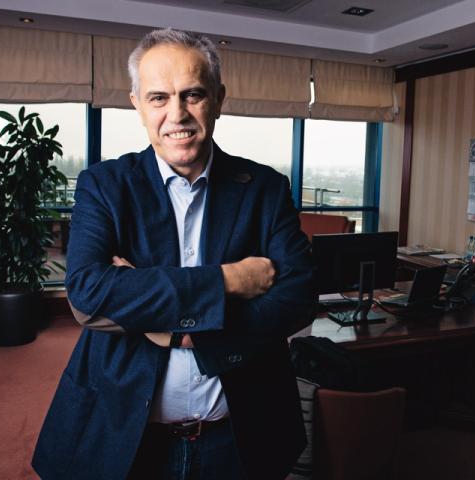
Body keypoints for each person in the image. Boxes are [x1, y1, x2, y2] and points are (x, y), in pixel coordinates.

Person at [32, 28, 316, 480]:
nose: (177, 114)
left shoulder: (265, 188)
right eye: (159, 98)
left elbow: (298, 297)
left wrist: (175, 331)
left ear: (218, 99)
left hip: (241, 432)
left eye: (193, 95)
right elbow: (88, 291)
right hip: (126, 433)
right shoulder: (104, 185)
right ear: (137, 104)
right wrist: (228, 281)